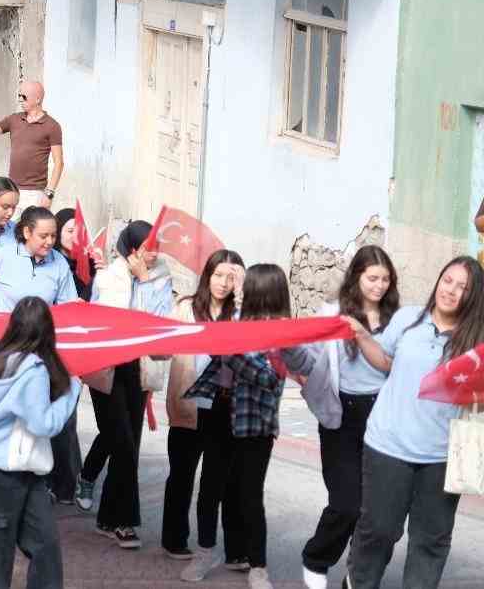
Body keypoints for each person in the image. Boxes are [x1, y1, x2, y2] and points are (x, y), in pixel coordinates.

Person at [342, 256, 484, 589]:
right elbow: (386, 362)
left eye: (462, 287)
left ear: (474, 296)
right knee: (378, 530)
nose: (451, 291)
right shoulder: (408, 318)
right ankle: (358, 582)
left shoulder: (476, 340)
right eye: (447, 280)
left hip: (441, 456)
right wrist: (363, 336)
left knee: (430, 541)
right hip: (388, 446)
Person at [180, 264, 314, 588]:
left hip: (256, 422)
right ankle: (206, 551)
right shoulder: (235, 322)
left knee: (249, 495)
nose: (239, 288)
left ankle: (258, 566)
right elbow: (216, 352)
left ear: (260, 290)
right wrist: (227, 347)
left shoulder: (283, 333)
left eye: (246, 284)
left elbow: (272, 377)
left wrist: (234, 352)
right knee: (210, 488)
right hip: (220, 409)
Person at [299, 245, 397, 589]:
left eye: (385, 279)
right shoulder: (332, 312)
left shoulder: (397, 318)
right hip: (341, 416)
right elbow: (308, 357)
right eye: (372, 278)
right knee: (345, 503)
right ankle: (316, 557)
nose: (379, 286)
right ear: (357, 276)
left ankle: (357, 575)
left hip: (382, 416)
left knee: (373, 508)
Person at [0, 296, 81, 589]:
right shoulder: (33, 370)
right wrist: (71, 390)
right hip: (8, 468)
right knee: (36, 549)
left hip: (2, 466)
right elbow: (44, 424)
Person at [84, 219, 172, 549]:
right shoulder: (109, 278)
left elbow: (158, 321)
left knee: (128, 443)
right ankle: (124, 521)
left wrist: (145, 281)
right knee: (120, 442)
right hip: (108, 368)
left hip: (139, 367)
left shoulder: (159, 277)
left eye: (157, 249)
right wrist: (137, 280)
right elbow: (116, 322)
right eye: (148, 250)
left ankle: (107, 517)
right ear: (132, 250)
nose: (154, 255)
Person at [162, 249, 246, 558]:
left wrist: (242, 301)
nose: (224, 283)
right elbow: (161, 347)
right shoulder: (185, 309)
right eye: (219, 275)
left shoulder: (240, 314)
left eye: (232, 277)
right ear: (207, 276)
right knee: (181, 476)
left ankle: (230, 548)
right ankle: (174, 539)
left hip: (224, 408)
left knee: (221, 482)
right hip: (188, 405)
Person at [0, 82, 64, 214]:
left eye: (24, 96)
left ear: (38, 99)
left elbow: (59, 163)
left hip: (36, 193)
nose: (20, 99)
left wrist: (49, 193)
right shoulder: (14, 120)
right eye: (19, 96)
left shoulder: (52, 126)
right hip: (12, 189)